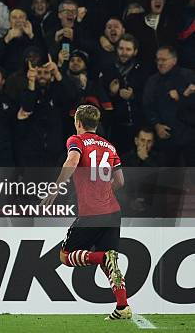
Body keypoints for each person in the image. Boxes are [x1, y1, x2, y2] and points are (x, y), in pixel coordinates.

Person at [41, 104, 131, 321]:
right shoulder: (109, 146)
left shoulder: (76, 140)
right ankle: (122, 306)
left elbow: (72, 160)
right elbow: (120, 181)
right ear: (97, 124)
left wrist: (55, 187)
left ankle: (103, 256)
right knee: (110, 266)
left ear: (78, 123)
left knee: (65, 257)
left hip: (91, 213)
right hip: (113, 211)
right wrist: (103, 190)